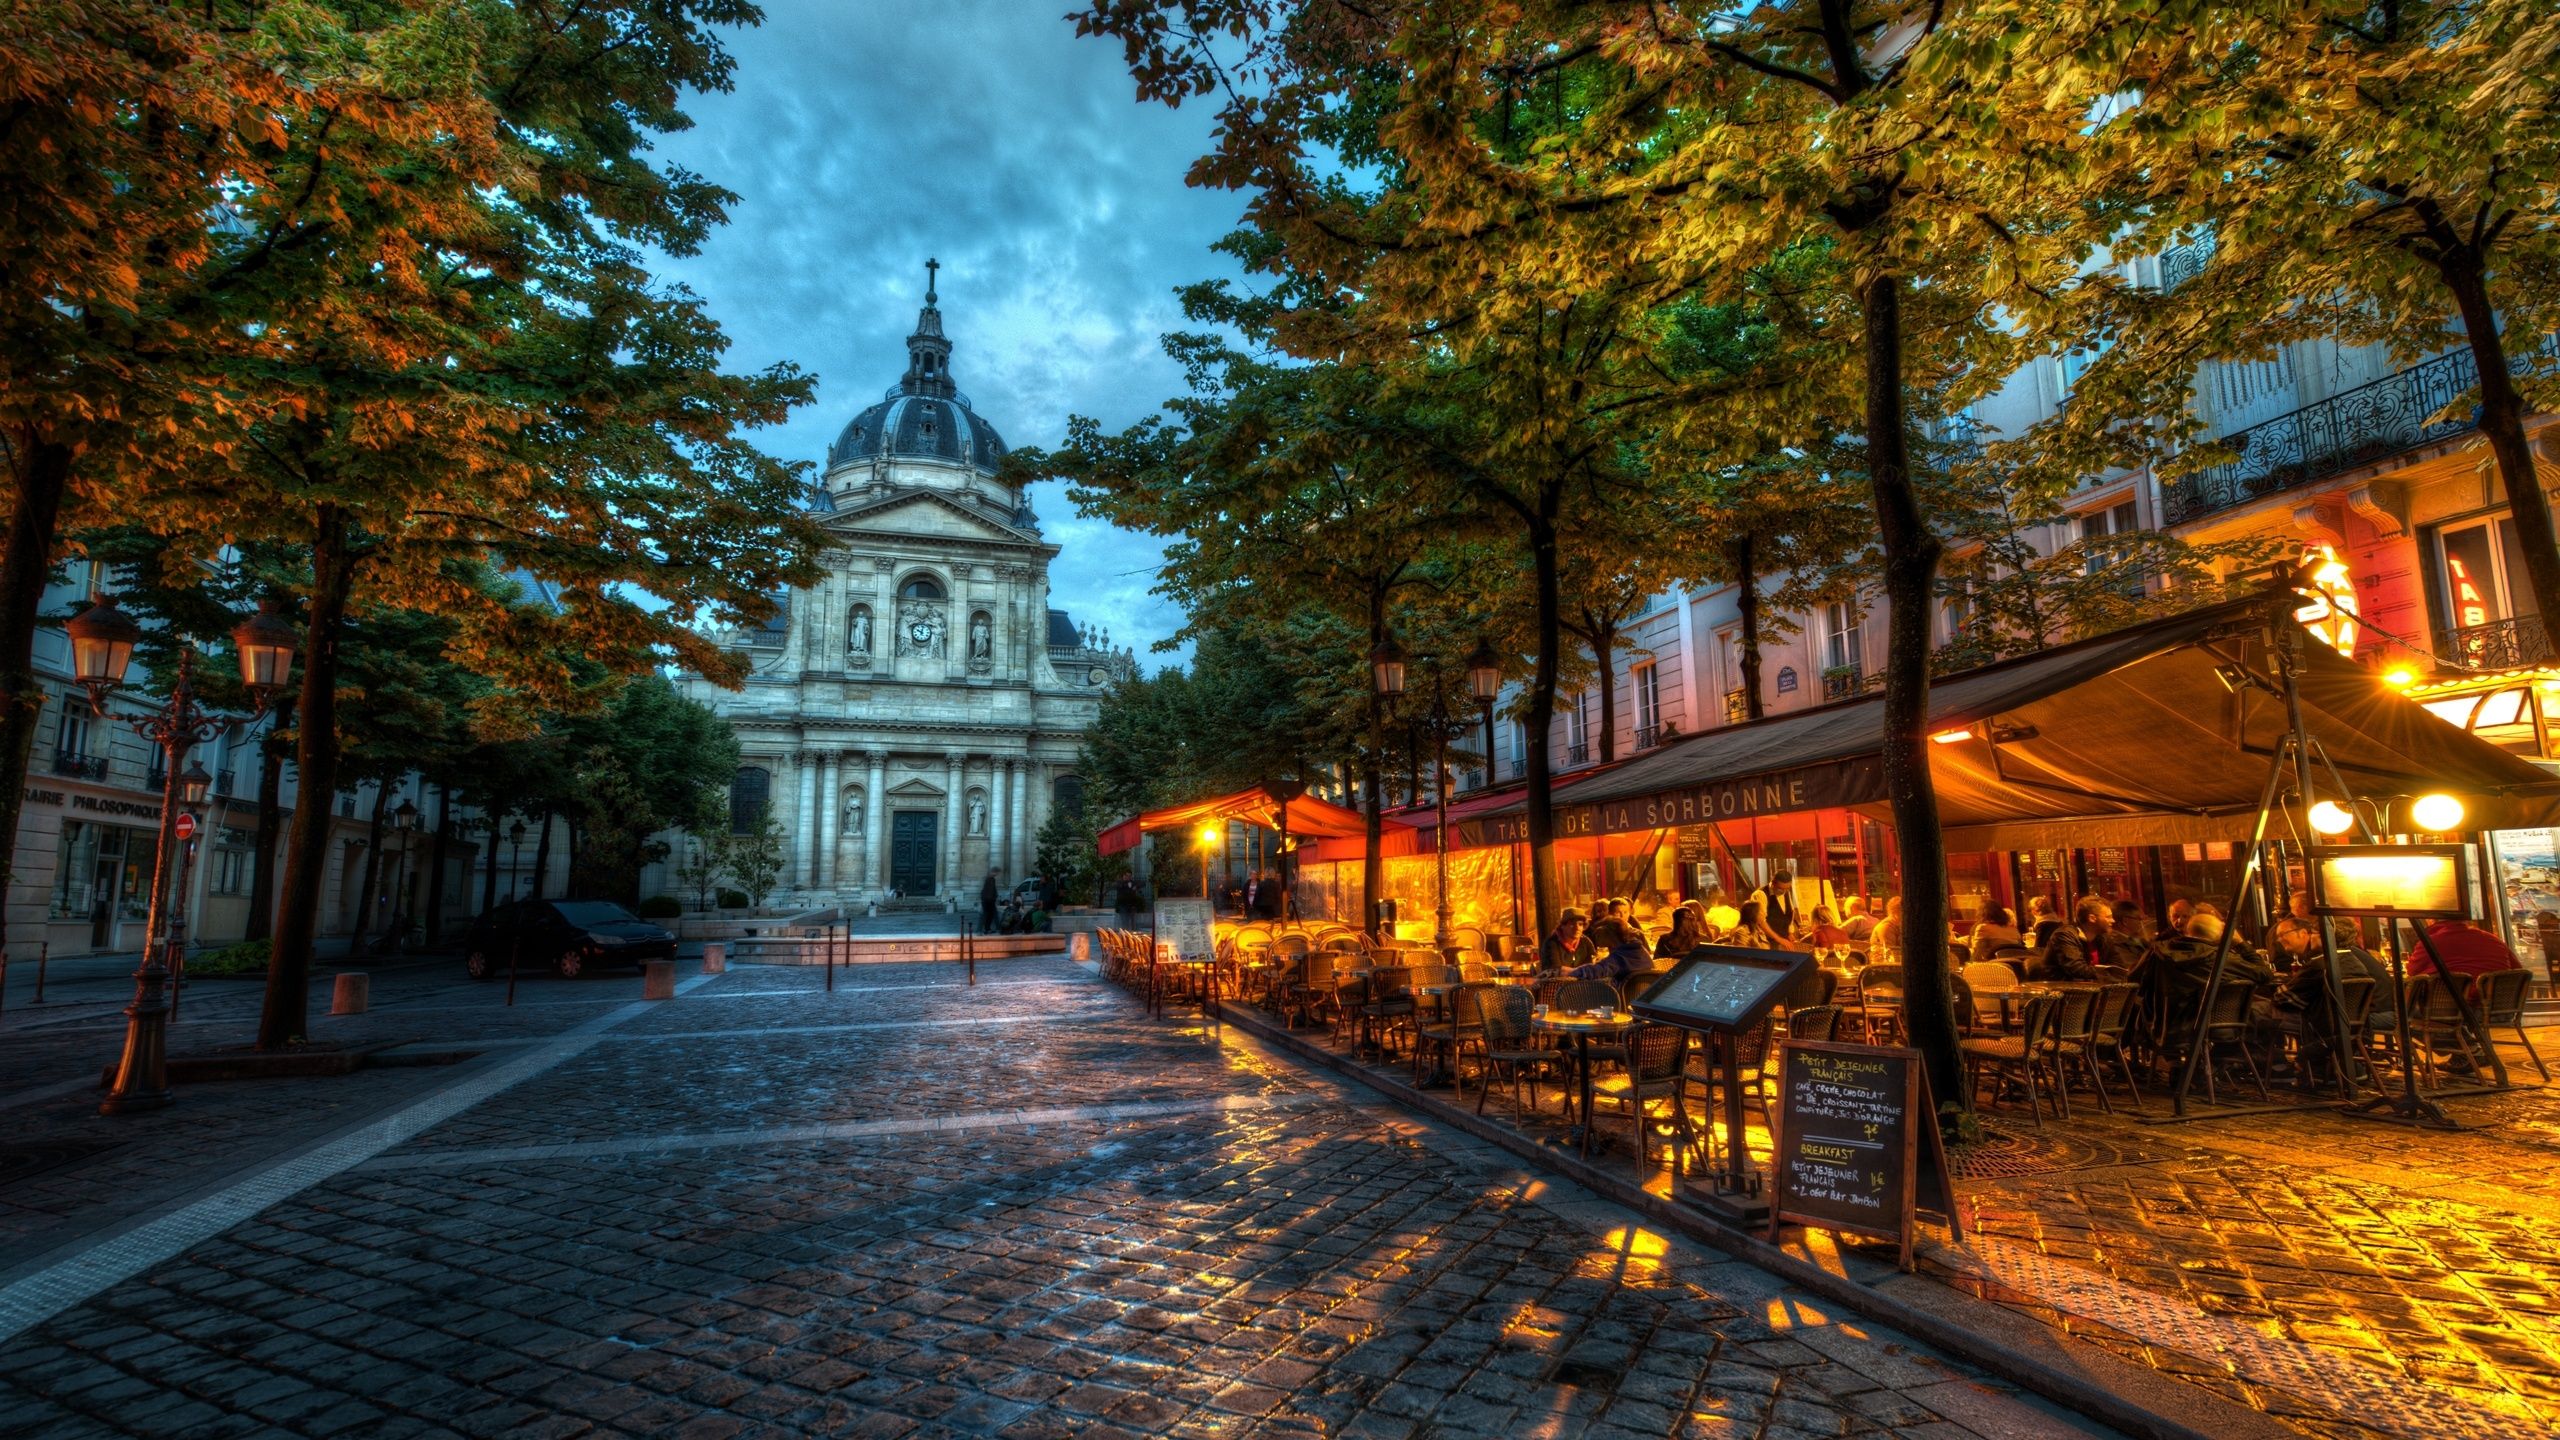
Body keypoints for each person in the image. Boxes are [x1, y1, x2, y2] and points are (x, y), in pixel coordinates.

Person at [2413, 916, 2524, 980]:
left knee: (2397, 1012)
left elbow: (2412, 971)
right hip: (2499, 1011)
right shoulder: (2493, 939)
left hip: (2448, 1012)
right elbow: (2518, 971)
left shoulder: (2429, 943)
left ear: (2431, 921)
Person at [2033, 898, 2113, 983]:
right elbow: (2077, 969)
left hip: (2094, 990)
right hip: (2063, 993)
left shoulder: (2103, 937)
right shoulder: (2064, 935)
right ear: (2092, 918)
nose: (2113, 920)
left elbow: (2118, 965)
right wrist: (2110, 974)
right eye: (2108, 917)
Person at [1567, 917, 1651, 982]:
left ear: (1608, 936)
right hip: (1643, 998)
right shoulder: (1639, 949)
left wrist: (1571, 973)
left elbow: (1597, 970)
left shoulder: (1619, 957)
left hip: (1621, 999)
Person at [1541, 908, 1596, 972]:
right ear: (1562, 926)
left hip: (1582, 981)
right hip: (1556, 981)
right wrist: (1581, 972)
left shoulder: (1586, 941)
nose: (1577, 928)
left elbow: (1592, 963)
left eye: (1580, 924)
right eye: (1572, 924)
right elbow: (1555, 969)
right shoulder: (1552, 943)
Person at [1754, 867, 1800, 939]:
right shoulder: (1760, 894)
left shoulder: (1786, 892)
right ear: (1772, 883)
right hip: (1766, 941)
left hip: (1783, 939)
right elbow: (1761, 922)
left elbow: (1790, 913)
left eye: (1787, 888)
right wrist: (1779, 939)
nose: (1784, 891)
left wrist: (1790, 933)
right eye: (1780, 888)